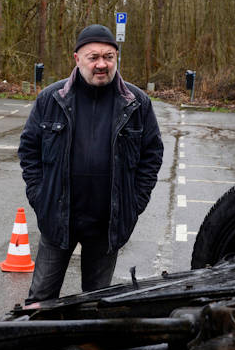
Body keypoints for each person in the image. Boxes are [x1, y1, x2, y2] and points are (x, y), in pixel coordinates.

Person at [18, 24, 164, 303]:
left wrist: (135, 202)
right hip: (58, 218)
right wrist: (40, 196)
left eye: (108, 57)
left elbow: (152, 154)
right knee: (40, 299)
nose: (102, 64)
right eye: (93, 57)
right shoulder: (51, 99)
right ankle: (35, 347)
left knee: (96, 303)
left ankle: (84, 348)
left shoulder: (136, 103)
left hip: (107, 222)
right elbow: (28, 150)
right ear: (76, 58)